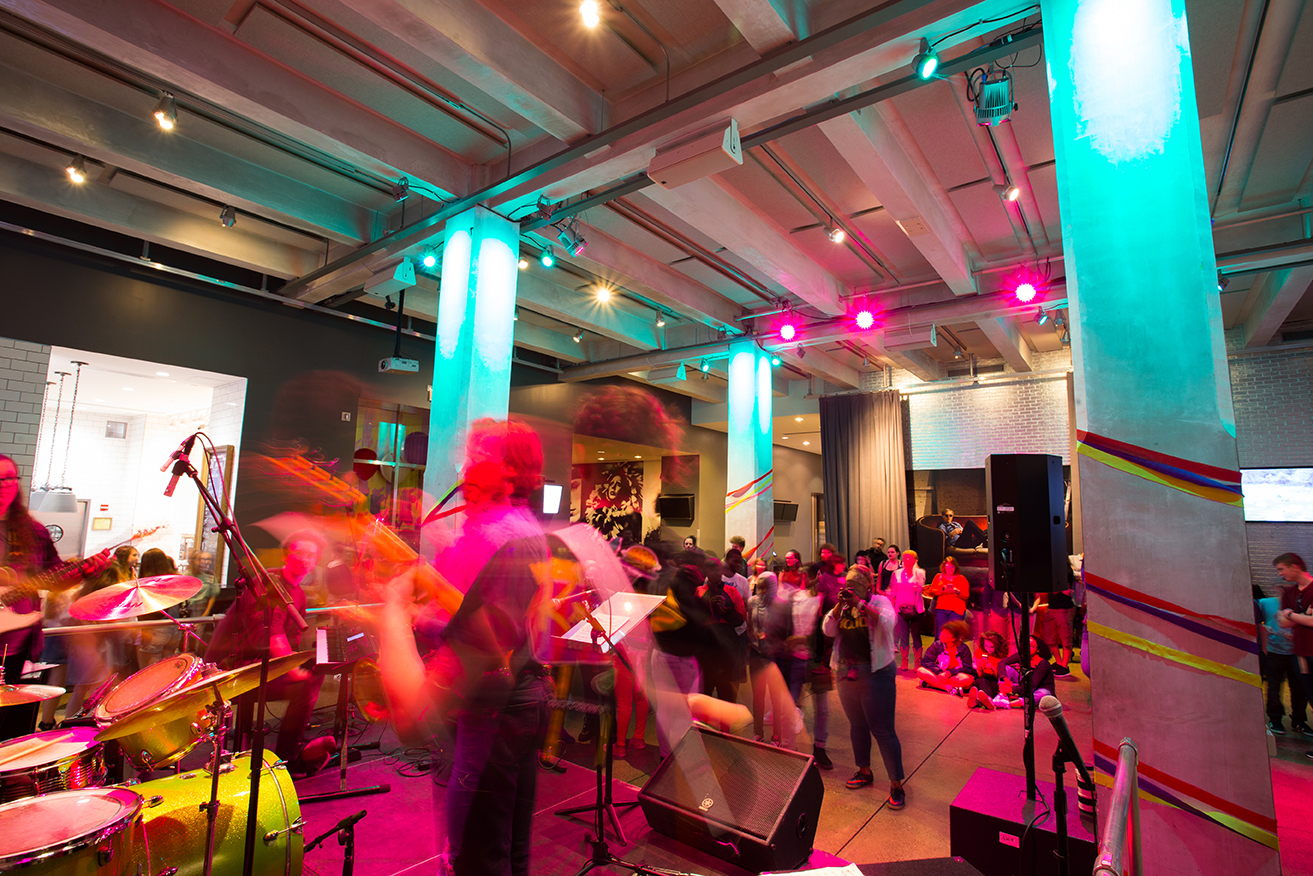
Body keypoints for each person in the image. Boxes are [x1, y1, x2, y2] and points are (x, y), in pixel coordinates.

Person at [376, 418, 553, 876]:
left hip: (490, 713)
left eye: (478, 457)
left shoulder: (495, 539)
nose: (465, 467)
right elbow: (480, 615)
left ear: (508, 474)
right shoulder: (521, 530)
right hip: (521, 703)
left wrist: (393, 611)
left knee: (476, 857)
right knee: (507, 849)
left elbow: (416, 717)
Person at [205, 532, 326, 773]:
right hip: (231, 668)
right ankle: (287, 760)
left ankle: (295, 738)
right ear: (286, 555)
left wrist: (306, 662)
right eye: (300, 552)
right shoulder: (270, 584)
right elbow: (274, 637)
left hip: (260, 663)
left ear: (316, 561)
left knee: (317, 667)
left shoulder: (299, 594)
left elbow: (292, 640)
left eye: (311, 555)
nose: (305, 559)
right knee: (302, 687)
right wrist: (293, 672)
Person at [823, 564, 905, 808]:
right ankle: (864, 772)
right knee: (857, 725)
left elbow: (888, 623)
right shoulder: (843, 607)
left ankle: (896, 785)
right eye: (847, 585)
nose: (849, 589)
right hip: (847, 671)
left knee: (883, 730)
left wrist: (860, 605)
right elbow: (828, 629)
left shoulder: (879, 602)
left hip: (876, 673)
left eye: (855, 585)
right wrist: (839, 606)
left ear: (867, 585)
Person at [0, 454, 64, 738]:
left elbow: (56, 575)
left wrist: (85, 570)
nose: (5, 484)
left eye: (10, 478)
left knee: (8, 724)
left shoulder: (32, 530)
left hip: (14, 646)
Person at [612, 545, 658, 757]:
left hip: (625, 649)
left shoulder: (624, 592)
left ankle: (620, 745)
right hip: (644, 649)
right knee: (641, 696)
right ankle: (638, 739)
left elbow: (617, 623)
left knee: (624, 701)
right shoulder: (650, 591)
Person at [747, 570, 798, 748]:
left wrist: (776, 642)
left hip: (775, 656)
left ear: (773, 586)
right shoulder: (752, 602)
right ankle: (758, 732)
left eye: (765, 587)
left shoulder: (783, 606)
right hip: (756, 653)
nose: (762, 591)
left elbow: (789, 631)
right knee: (758, 695)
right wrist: (754, 637)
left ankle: (776, 735)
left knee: (776, 697)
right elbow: (749, 625)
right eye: (759, 587)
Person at [1274, 553, 1313, 761]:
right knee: (1310, 695)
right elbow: (1282, 622)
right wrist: (1302, 616)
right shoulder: (1289, 592)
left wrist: (1290, 614)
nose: (1280, 574)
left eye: (1282, 569)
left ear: (1295, 567)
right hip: (1301, 652)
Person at [1256, 584, 1308, 736]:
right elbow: (1258, 622)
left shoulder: (1302, 605)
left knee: (1299, 688)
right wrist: (1265, 642)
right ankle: (1275, 718)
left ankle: (1299, 720)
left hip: (1296, 652)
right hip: (1274, 651)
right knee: (1274, 686)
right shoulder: (1265, 603)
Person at [135, 548, 182, 666]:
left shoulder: (146, 585)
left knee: (151, 671)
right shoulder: (174, 581)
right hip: (174, 628)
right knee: (167, 669)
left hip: (154, 630)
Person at [887, 549, 925, 670]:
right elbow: (893, 591)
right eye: (905, 558)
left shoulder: (920, 572)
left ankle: (918, 662)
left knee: (916, 635)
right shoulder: (897, 573)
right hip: (901, 609)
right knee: (903, 636)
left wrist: (915, 576)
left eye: (909, 558)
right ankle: (904, 661)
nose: (907, 560)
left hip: (916, 610)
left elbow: (920, 589)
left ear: (914, 560)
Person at [917, 620, 976, 696]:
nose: (941, 634)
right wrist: (940, 672)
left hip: (954, 677)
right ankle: (948, 688)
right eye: (942, 632)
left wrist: (949, 673)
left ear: (953, 638)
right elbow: (926, 661)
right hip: (939, 674)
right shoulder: (937, 645)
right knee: (920, 671)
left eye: (945, 634)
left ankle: (932, 683)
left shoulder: (963, 649)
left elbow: (967, 668)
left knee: (968, 680)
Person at [997, 636, 1057, 707]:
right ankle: (1001, 695)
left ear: (1038, 649)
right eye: (1027, 645)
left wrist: (1012, 689)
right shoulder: (1021, 656)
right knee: (1007, 668)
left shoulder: (1043, 663)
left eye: (1032, 647)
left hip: (1040, 689)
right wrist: (1005, 679)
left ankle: (1007, 704)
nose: (1028, 648)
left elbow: (1033, 683)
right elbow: (1002, 663)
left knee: (1043, 695)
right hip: (1024, 685)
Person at [925, 556, 969, 636]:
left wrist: (957, 592)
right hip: (941, 609)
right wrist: (943, 591)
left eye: (952, 566)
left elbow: (966, 596)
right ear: (944, 566)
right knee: (941, 632)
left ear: (956, 567)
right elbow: (932, 591)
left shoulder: (962, 579)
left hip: (957, 610)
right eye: (948, 566)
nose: (950, 568)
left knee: (953, 633)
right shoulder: (938, 577)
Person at [969, 631, 1008, 710]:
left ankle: (977, 701)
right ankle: (988, 700)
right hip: (983, 679)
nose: (988, 649)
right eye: (986, 646)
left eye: (991, 647)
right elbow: (980, 675)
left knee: (993, 684)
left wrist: (992, 668)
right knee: (982, 681)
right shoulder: (979, 652)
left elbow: (1001, 677)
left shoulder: (1002, 655)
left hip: (995, 680)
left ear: (997, 646)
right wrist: (980, 667)